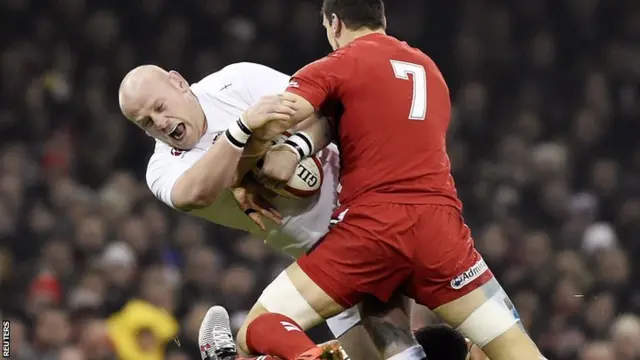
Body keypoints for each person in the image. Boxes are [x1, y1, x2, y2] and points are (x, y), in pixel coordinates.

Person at [234, 1, 546, 360]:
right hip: (441, 233)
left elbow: (276, 121)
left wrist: (246, 165)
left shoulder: (338, 64)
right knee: (517, 351)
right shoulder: (430, 70)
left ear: (334, 23)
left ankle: (312, 357)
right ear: (380, 19)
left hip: (371, 230)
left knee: (260, 325)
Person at [118, 63, 405, 360]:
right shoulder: (161, 170)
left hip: (369, 204)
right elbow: (196, 193)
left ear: (178, 82)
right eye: (147, 123)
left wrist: (294, 148)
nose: (160, 123)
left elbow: (325, 112)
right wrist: (243, 130)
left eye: (160, 107)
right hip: (321, 257)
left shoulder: (236, 81)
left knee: (253, 333)